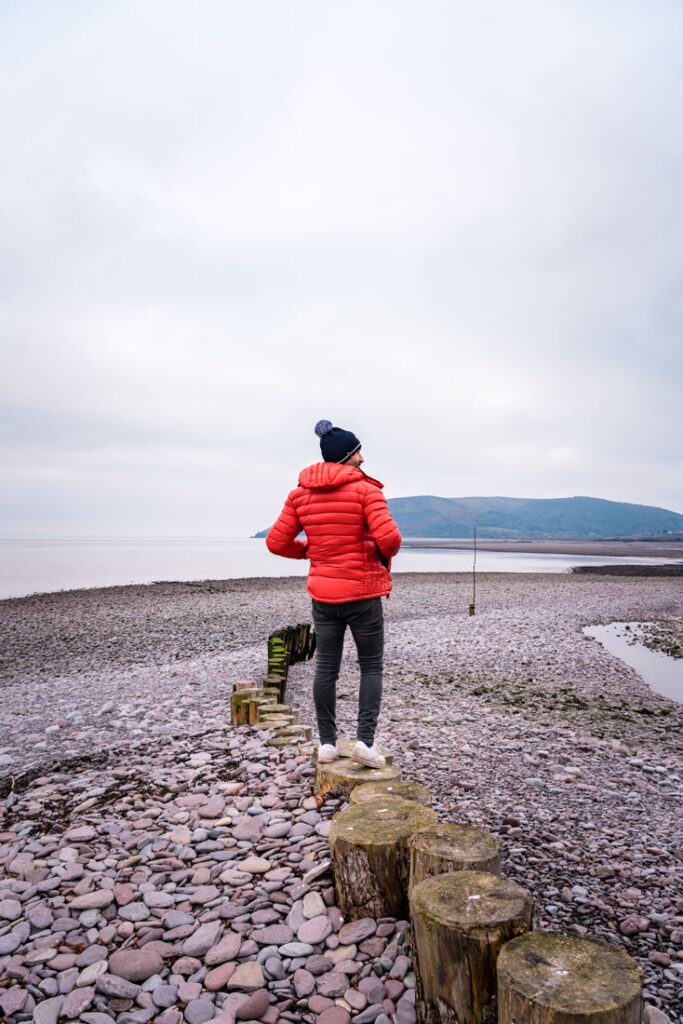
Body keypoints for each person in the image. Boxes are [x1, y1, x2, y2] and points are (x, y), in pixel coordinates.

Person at [266, 420, 402, 768]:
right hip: (362, 594)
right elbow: (391, 542)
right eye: (358, 452)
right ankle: (365, 744)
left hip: (323, 596)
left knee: (326, 668)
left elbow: (276, 542)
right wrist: (368, 547)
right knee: (371, 667)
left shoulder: (299, 494)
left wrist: (312, 552)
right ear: (346, 456)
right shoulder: (367, 491)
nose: (362, 458)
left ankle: (326, 744)